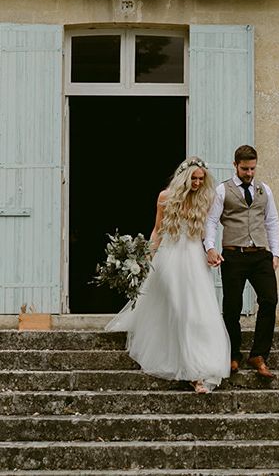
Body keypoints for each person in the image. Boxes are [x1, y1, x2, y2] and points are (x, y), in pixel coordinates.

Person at [106, 157, 230, 394]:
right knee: (178, 307)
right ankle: (191, 370)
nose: (197, 183)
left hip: (195, 258)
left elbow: (208, 232)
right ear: (183, 178)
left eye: (201, 179)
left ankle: (199, 371)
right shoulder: (165, 197)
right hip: (170, 256)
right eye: (193, 178)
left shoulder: (205, 198)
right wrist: (147, 257)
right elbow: (157, 229)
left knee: (198, 311)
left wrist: (211, 251)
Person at [204, 144, 279, 378]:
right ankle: (233, 354)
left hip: (260, 255)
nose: (249, 173)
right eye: (245, 168)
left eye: (252, 169)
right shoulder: (222, 190)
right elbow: (211, 221)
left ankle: (259, 355)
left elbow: (272, 221)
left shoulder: (264, 189)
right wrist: (210, 248)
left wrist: (275, 253)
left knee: (269, 300)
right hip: (234, 255)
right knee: (232, 307)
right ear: (235, 165)